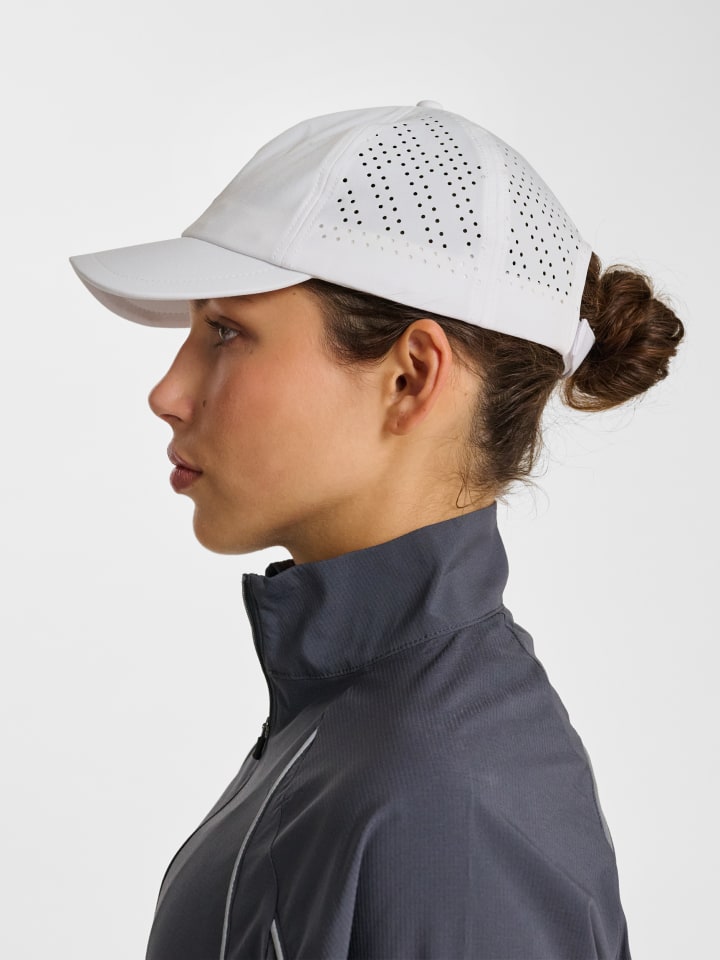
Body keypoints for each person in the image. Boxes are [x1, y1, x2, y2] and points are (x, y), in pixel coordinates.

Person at [70, 101, 683, 960]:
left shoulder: (451, 806)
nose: (167, 392)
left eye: (226, 332)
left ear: (410, 377)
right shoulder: (364, 730)